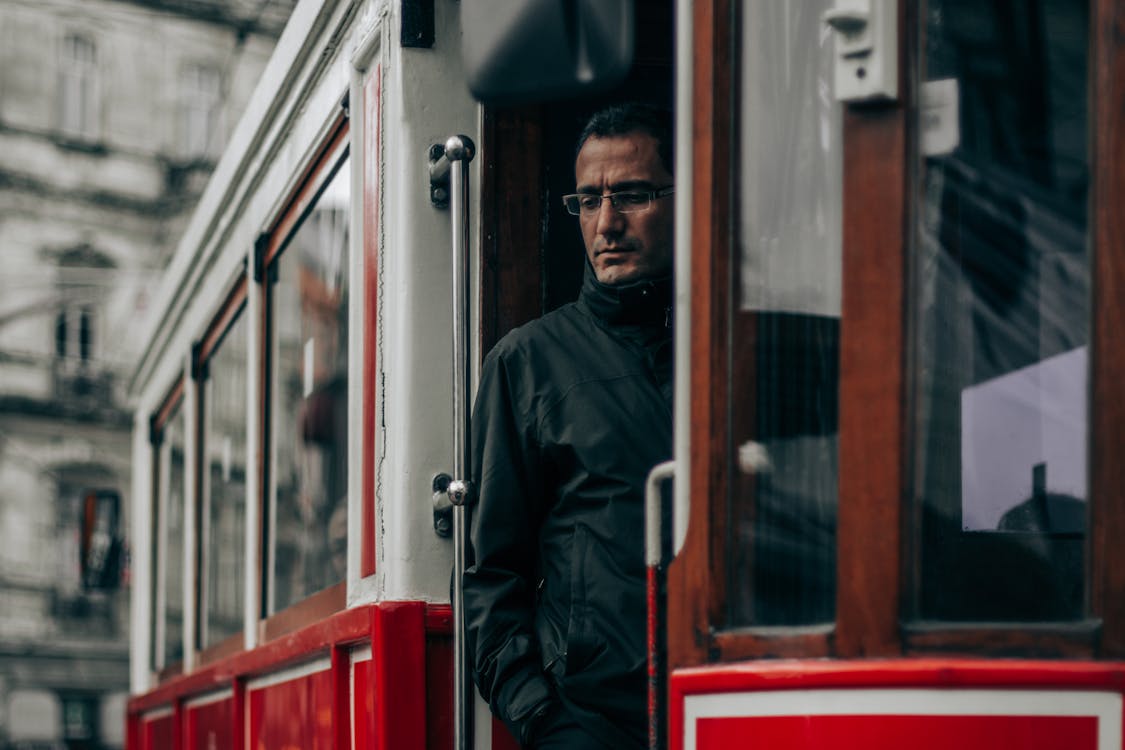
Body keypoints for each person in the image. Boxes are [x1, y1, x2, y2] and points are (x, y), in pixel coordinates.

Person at [463, 103, 674, 749]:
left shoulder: (736, 352)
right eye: (588, 200)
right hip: (590, 723)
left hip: (734, 707)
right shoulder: (526, 364)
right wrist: (546, 723)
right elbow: (490, 577)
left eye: (632, 195)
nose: (606, 223)